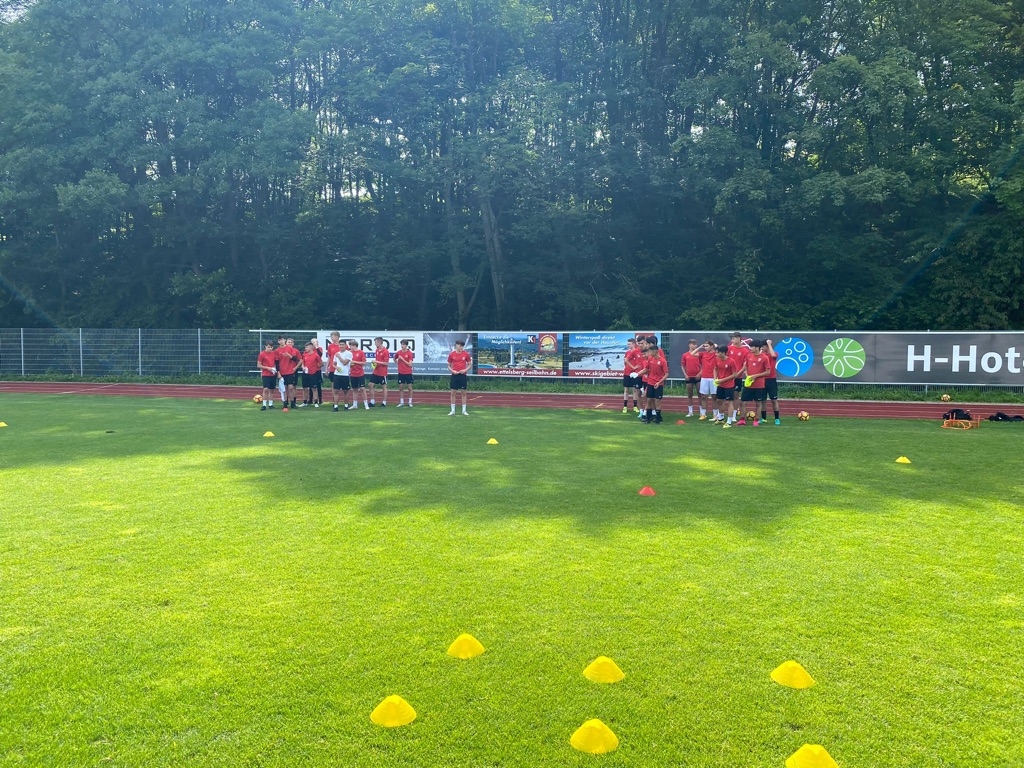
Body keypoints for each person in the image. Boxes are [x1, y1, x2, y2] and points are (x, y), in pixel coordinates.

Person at [737, 340, 770, 426]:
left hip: (759, 385)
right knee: (743, 402)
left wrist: (756, 376)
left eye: (752, 347)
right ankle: (742, 420)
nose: (750, 348)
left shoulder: (764, 358)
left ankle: (756, 420)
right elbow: (745, 367)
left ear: (757, 348)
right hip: (749, 384)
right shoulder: (749, 356)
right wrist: (747, 374)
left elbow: (768, 372)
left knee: (758, 403)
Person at [714, 345, 741, 427]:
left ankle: (729, 421)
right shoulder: (717, 359)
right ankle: (721, 418)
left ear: (723, 353)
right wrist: (715, 378)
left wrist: (723, 380)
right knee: (719, 401)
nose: (716, 354)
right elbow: (715, 369)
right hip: (720, 384)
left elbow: (735, 375)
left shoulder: (731, 361)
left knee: (729, 402)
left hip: (729, 385)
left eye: (718, 352)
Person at [641, 344, 667, 424]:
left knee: (657, 401)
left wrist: (659, 382)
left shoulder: (662, 361)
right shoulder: (650, 359)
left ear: (655, 352)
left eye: (650, 351)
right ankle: (648, 418)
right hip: (650, 382)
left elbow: (666, 374)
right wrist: (638, 373)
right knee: (649, 400)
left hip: (658, 383)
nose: (649, 353)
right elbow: (646, 369)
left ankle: (658, 418)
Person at [447, 339, 472, 415]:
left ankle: (464, 410)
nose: (461, 347)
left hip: (462, 375)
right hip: (454, 375)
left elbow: (470, 365)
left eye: (462, 346)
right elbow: (448, 366)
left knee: (463, 392)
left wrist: (465, 370)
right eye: (460, 346)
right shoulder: (451, 354)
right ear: (457, 346)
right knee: (453, 393)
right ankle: (452, 411)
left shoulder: (466, 354)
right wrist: (453, 371)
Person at [277, 336, 302, 410]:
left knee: (291, 387)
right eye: (279, 340)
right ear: (278, 342)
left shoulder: (290, 349)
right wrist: (278, 372)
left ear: (284, 340)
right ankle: (285, 403)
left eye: (282, 339)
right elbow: (277, 362)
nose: (281, 341)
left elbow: (295, 359)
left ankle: (292, 402)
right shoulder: (277, 350)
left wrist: (289, 355)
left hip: (290, 371)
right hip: (282, 372)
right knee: (284, 388)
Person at [680, 339, 702, 418]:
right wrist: (685, 375)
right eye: (694, 344)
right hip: (689, 377)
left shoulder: (698, 354)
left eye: (696, 344)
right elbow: (682, 365)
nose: (695, 345)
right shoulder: (685, 355)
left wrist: (700, 373)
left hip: (698, 376)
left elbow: (704, 364)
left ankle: (701, 412)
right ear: (690, 345)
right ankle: (690, 411)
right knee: (690, 394)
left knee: (700, 394)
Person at [697, 340, 718, 421]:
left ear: (712, 346)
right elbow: (692, 354)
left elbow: (724, 352)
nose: (705, 348)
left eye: (707, 346)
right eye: (704, 346)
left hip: (713, 377)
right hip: (704, 377)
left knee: (714, 396)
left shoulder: (716, 354)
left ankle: (715, 415)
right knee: (703, 396)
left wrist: (715, 347)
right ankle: (703, 414)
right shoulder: (703, 354)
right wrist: (700, 347)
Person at [763, 338, 782, 425]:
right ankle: (764, 418)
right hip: (762, 379)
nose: (762, 348)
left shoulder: (774, 353)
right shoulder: (762, 355)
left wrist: (769, 344)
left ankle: (777, 418)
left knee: (774, 400)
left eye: (764, 346)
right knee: (762, 400)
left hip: (771, 379)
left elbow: (773, 355)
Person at [622, 338, 643, 413]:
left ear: (634, 344)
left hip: (635, 373)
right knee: (626, 390)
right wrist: (630, 367)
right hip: (627, 373)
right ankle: (625, 406)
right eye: (627, 344)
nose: (628, 345)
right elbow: (625, 361)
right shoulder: (627, 352)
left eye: (629, 344)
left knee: (635, 390)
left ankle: (635, 406)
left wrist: (635, 368)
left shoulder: (638, 351)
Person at [331, 342, 353, 411]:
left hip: (345, 375)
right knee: (336, 391)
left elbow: (344, 362)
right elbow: (333, 364)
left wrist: (339, 357)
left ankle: (346, 406)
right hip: (337, 374)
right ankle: (335, 406)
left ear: (345, 345)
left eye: (342, 345)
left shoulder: (349, 353)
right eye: (340, 345)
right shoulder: (337, 354)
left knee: (346, 391)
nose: (341, 346)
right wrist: (336, 367)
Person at [368, 336, 390, 407]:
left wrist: (377, 362)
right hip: (376, 371)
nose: (375, 344)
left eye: (375, 342)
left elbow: (386, 363)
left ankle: (384, 402)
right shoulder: (377, 350)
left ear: (379, 342)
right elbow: (377, 360)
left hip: (382, 372)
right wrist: (374, 364)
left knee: (384, 386)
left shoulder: (385, 351)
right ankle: (372, 401)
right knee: (370, 385)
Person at [300, 342, 323, 408]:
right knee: (305, 388)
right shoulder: (305, 354)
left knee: (314, 388)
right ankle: (304, 402)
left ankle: (316, 402)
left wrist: (315, 367)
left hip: (313, 374)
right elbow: (302, 363)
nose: (305, 348)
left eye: (307, 347)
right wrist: (303, 367)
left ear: (311, 347)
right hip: (305, 373)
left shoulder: (316, 355)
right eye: (305, 347)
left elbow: (321, 364)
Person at [348, 340, 369, 410]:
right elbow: (347, 363)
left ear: (355, 345)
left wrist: (355, 362)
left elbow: (364, 363)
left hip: (360, 373)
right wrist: (350, 364)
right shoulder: (349, 353)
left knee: (362, 389)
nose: (350, 347)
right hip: (352, 373)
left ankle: (366, 404)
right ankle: (355, 404)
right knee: (354, 389)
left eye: (351, 345)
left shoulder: (361, 352)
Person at [726, 332, 748, 399]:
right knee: (727, 396)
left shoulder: (745, 351)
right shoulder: (729, 348)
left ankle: (735, 407)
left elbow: (745, 366)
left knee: (736, 395)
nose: (732, 340)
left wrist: (737, 374)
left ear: (738, 338)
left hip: (738, 376)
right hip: (727, 376)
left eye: (733, 338)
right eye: (732, 339)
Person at [256, 340, 277, 410]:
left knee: (272, 390)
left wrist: (274, 368)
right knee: (265, 389)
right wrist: (267, 368)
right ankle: (264, 405)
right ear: (265, 347)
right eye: (268, 347)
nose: (269, 348)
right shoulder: (262, 354)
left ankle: (270, 404)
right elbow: (258, 365)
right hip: (265, 374)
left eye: (271, 347)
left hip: (273, 374)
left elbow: (276, 362)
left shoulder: (274, 353)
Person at [395, 339, 415, 406]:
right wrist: (397, 363)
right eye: (401, 344)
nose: (402, 346)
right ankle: (401, 402)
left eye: (403, 344)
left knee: (409, 387)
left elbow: (410, 364)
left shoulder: (409, 353)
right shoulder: (398, 352)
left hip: (408, 372)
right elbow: (394, 358)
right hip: (401, 372)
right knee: (401, 387)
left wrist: (402, 359)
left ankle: (410, 402)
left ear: (406, 345)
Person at [325, 331, 343, 407]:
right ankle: (335, 401)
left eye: (332, 337)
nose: (331, 338)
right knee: (333, 386)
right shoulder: (330, 346)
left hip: (342, 368)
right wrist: (326, 367)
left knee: (343, 387)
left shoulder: (343, 345)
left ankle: (345, 402)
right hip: (333, 368)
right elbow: (329, 357)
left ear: (337, 337)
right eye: (331, 337)